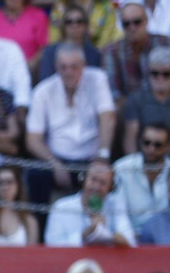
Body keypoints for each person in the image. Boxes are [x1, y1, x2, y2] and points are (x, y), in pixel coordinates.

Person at [26, 44, 117, 205]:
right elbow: (33, 138)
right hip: (56, 159)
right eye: (64, 67)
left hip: (91, 160)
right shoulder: (43, 90)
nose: (69, 72)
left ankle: (100, 225)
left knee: (107, 176)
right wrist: (55, 164)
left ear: (84, 66)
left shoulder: (97, 79)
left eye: (74, 67)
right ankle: (41, 227)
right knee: (34, 174)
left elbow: (107, 117)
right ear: (56, 67)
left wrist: (103, 156)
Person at [45, 159, 138, 245]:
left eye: (103, 183)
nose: (96, 187)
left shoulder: (116, 206)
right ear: (83, 179)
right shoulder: (61, 207)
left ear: (110, 188)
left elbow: (130, 242)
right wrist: (85, 235)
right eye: (93, 180)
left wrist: (109, 235)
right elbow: (52, 244)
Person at [103, 4, 170, 101]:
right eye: (126, 24)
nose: (132, 28)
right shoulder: (112, 51)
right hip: (128, 110)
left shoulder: (165, 43)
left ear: (146, 21)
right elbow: (114, 92)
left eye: (137, 22)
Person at [114, 121, 170, 228]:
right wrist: (129, 241)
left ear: (168, 147)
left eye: (157, 145)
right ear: (140, 142)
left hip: (165, 238)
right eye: (146, 143)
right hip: (131, 235)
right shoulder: (122, 168)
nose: (151, 149)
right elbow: (119, 214)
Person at [36, 5, 105, 84]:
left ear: (86, 26)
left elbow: (95, 82)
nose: (75, 25)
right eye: (69, 22)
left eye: (79, 21)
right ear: (63, 26)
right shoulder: (49, 53)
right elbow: (45, 83)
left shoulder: (94, 54)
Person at [122, 46, 170, 151]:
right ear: (148, 73)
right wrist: (134, 163)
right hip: (146, 163)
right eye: (155, 73)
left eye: (166, 74)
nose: (160, 78)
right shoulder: (136, 100)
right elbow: (130, 139)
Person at [48, 0, 123, 53]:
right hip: (65, 54)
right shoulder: (60, 5)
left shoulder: (106, 6)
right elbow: (54, 40)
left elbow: (105, 42)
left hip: (96, 55)